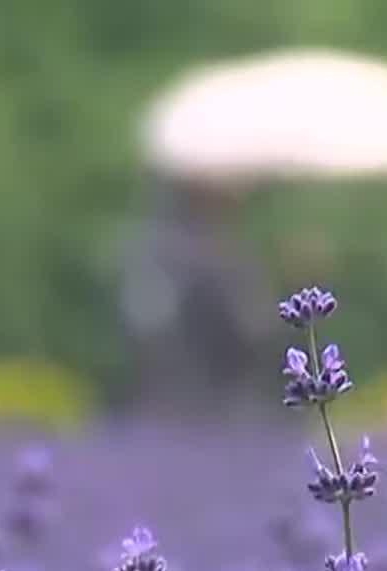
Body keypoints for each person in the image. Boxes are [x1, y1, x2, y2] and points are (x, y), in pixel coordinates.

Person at [118, 173, 279, 415]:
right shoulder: (166, 250)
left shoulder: (234, 259)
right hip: (178, 391)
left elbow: (258, 326)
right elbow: (148, 322)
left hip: (229, 392)